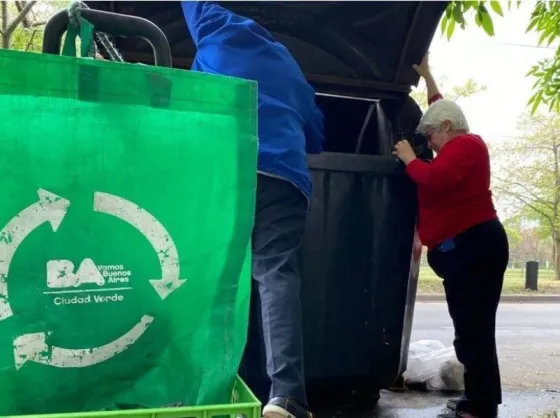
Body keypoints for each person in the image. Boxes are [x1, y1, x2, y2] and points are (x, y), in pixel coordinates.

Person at [181, 3, 325, 418]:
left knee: (219, 278)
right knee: (275, 273)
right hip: (283, 175)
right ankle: (286, 396)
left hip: (227, 168)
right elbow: (316, 134)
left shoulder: (213, 26)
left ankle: (217, 387)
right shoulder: (289, 66)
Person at [393, 53, 509, 418]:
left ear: (446, 128)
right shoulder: (452, 136)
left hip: (474, 248)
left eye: (430, 136)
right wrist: (427, 75)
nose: (430, 143)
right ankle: (479, 398)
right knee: (470, 328)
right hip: (465, 251)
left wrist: (411, 159)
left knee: (473, 330)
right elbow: (439, 106)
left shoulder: (467, 146)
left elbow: (436, 180)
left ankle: (480, 404)